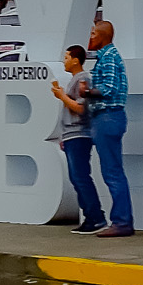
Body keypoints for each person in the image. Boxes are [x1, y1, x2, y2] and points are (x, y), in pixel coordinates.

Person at [79, 17, 134, 237]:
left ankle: (121, 222)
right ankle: (121, 221)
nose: (89, 38)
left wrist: (86, 92)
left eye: (92, 34)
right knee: (112, 171)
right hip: (106, 117)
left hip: (108, 116)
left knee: (112, 172)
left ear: (102, 36)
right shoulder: (106, 57)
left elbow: (109, 88)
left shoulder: (109, 57)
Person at [49, 44, 106, 233]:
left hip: (79, 134)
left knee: (80, 177)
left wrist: (61, 96)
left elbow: (81, 108)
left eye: (66, 58)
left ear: (75, 60)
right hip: (73, 134)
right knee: (77, 177)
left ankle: (95, 217)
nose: (64, 62)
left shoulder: (83, 79)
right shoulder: (77, 79)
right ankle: (92, 217)